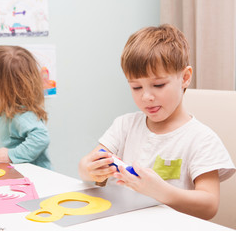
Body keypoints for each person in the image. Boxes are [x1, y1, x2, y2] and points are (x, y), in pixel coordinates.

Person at [78, 24, 235, 220]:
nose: (146, 97)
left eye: (158, 85)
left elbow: (209, 205)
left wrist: (162, 191)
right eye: (136, 87)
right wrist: (90, 169)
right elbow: (85, 167)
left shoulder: (201, 139)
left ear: (185, 78)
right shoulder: (124, 126)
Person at [0, 46, 52, 169]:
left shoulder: (22, 114)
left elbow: (41, 138)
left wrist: (12, 155)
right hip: (21, 175)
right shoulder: (10, 105)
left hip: (37, 178)